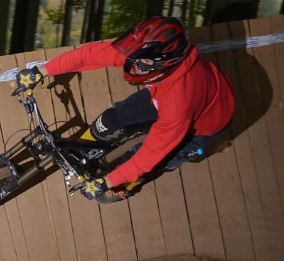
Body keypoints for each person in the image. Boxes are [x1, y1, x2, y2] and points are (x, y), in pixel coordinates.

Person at [18, 16, 235, 203]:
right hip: (168, 93)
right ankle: (84, 149)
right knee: (111, 119)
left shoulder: (179, 102)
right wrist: (41, 71)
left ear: (165, 62)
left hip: (206, 122)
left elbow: (151, 155)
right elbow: (90, 55)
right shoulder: (144, 51)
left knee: (148, 160)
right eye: (136, 55)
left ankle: (125, 187)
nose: (135, 64)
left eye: (144, 62)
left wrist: (107, 182)